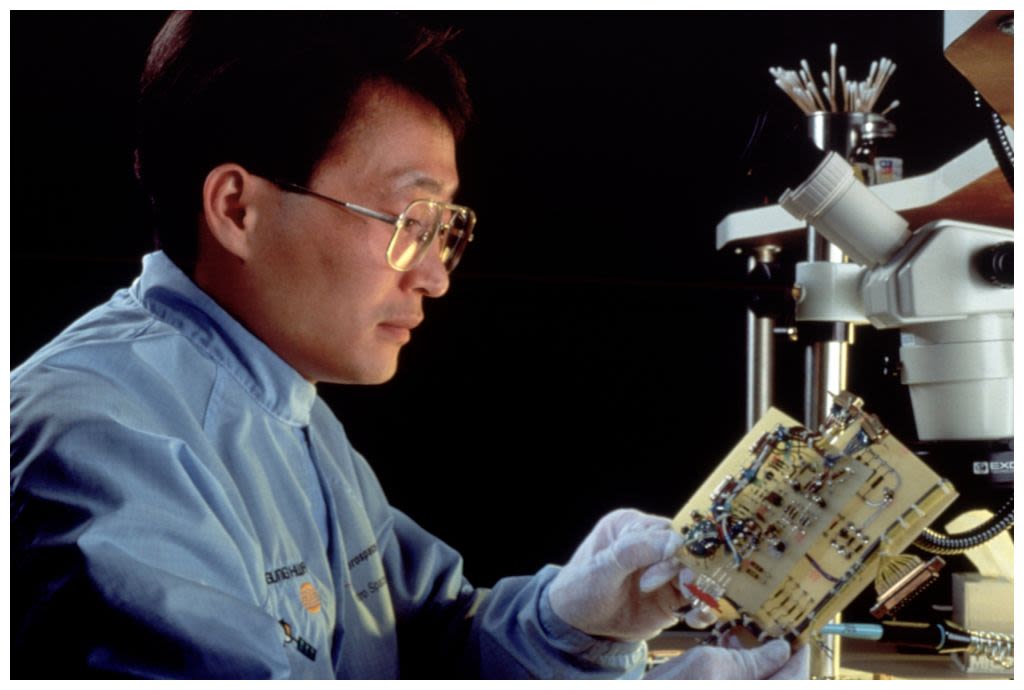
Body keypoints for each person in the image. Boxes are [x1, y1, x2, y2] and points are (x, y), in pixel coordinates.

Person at [10, 12, 807, 679]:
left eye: (444, 230)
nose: (434, 276)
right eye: (407, 224)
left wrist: (578, 618)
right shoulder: (96, 438)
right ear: (236, 209)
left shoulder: (291, 418)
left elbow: (434, 640)